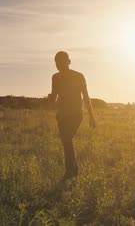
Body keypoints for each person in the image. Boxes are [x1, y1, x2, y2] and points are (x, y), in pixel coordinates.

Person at [48, 51, 96, 183]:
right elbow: (54, 97)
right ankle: (74, 170)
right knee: (66, 141)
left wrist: (92, 116)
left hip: (75, 114)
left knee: (67, 139)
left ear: (69, 62)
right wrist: (50, 98)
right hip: (62, 115)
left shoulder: (78, 76)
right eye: (56, 62)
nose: (58, 65)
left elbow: (86, 97)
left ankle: (70, 171)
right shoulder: (55, 77)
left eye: (61, 62)